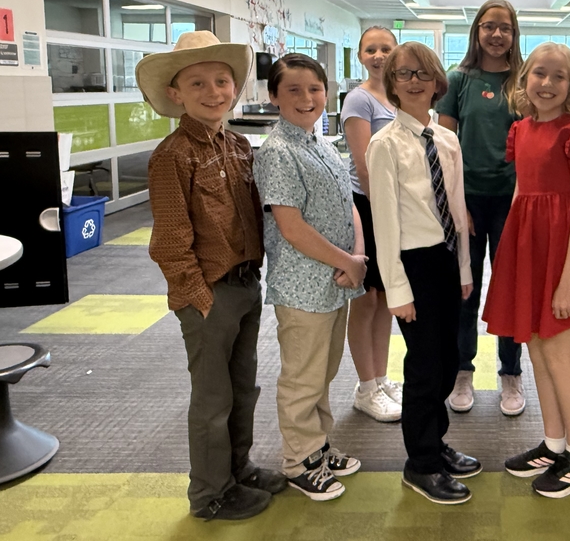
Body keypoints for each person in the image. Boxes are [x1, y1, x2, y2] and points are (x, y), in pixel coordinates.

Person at [139, 31, 286, 521]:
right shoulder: (172, 155)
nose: (213, 91)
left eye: (221, 80)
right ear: (176, 93)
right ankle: (209, 494)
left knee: (243, 388)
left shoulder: (238, 144)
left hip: (246, 284)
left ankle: (237, 470)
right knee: (212, 399)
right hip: (209, 294)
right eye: (197, 83)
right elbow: (169, 240)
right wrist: (198, 298)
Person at [483, 42, 570, 499]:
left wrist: (568, 280)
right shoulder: (522, 129)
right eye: (539, 73)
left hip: (563, 256)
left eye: (559, 76)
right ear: (525, 79)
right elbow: (522, 194)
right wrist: (511, 261)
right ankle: (555, 443)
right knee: (536, 353)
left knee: (558, 357)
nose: (548, 83)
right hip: (529, 250)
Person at [366, 42, 480, 505]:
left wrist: (465, 268)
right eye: (403, 74)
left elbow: (458, 209)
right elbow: (384, 223)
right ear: (392, 84)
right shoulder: (385, 144)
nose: (413, 81)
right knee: (424, 366)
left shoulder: (446, 139)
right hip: (412, 264)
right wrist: (397, 289)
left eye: (422, 73)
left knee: (449, 359)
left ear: (437, 82)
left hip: (446, 259)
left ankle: (437, 440)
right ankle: (421, 463)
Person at [254, 54, 368, 501]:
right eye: (293, 90)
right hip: (302, 284)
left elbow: (348, 202)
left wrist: (356, 256)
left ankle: (318, 445)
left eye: (314, 89)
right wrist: (348, 261)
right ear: (273, 96)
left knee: (323, 370)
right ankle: (299, 461)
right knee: (302, 377)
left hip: (335, 280)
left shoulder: (320, 142)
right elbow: (292, 227)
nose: (306, 98)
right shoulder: (277, 151)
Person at [436, 0, 526, 416]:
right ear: (477, 31)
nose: (496, 34)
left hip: (511, 199)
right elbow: (445, 148)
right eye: (489, 26)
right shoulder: (458, 80)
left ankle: (511, 372)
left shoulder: (523, 82)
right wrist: (457, 206)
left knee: (510, 289)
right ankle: (462, 370)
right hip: (468, 199)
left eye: (505, 27)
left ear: (514, 34)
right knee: (465, 289)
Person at [341, 26, 403, 423]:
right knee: (365, 299)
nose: (378, 56)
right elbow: (364, 165)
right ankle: (365, 388)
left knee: (385, 299)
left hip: (393, 207)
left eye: (385, 48)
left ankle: (380, 378)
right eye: (370, 50)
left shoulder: (398, 97)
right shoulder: (358, 99)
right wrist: (382, 211)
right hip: (367, 206)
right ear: (361, 55)